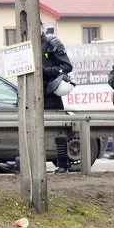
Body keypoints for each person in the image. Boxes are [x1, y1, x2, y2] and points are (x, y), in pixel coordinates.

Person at [41, 28, 74, 173]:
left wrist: (47, 71)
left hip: (49, 93)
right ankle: (22, 162)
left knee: (58, 129)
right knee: (27, 129)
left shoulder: (52, 44)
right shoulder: (25, 46)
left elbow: (66, 66)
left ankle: (62, 164)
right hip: (30, 95)